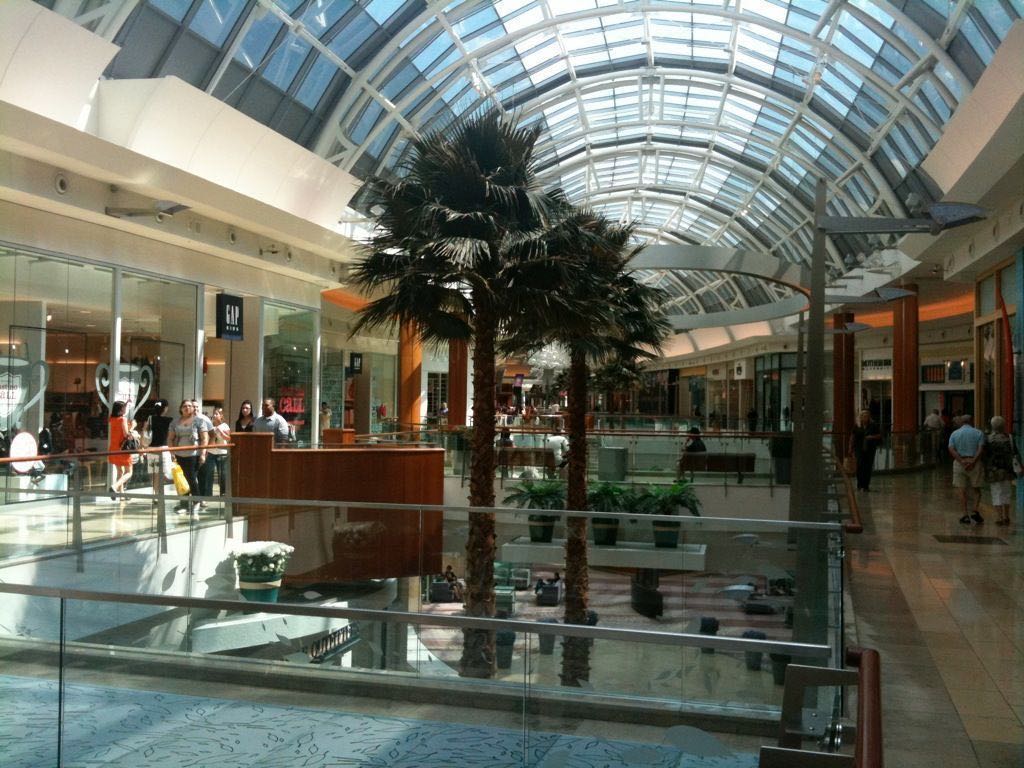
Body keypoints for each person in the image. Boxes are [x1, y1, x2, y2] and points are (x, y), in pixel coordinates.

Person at [168, 399, 207, 519]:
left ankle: (196, 502)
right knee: (181, 479)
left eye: (190, 406)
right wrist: (172, 452)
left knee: (191, 478)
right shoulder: (175, 422)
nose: (187, 408)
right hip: (179, 455)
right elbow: (170, 438)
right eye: (184, 406)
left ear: (193, 408)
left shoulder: (199, 421)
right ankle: (184, 504)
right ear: (181, 408)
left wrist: (203, 454)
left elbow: (204, 438)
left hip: (193, 455)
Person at [948, 414, 985, 525]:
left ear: (961, 422)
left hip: (960, 464)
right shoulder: (979, 433)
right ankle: (975, 510)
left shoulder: (954, 434)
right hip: (975, 463)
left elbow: (951, 449)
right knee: (976, 488)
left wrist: (961, 461)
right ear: (971, 421)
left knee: (961, 490)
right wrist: (973, 461)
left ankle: (965, 515)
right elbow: (981, 449)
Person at [983, 416, 1016, 526]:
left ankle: (999, 517)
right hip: (1007, 470)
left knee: (996, 492)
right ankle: (1006, 516)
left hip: (993, 470)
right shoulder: (1009, 438)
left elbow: (985, 455)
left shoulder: (988, 439)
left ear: (992, 426)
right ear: (1003, 426)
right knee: (1007, 492)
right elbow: (1015, 453)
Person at [849, 409, 882, 492]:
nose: (865, 418)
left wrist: (871, 437)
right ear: (861, 417)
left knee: (868, 467)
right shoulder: (857, 425)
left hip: (870, 448)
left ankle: (866, 486)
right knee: (860, 465)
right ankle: (860, 485)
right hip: (859, 448)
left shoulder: (873, 425)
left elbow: (879, 435)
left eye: (867, 416)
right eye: (863, 416)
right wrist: (850, 448)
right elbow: (852, 437)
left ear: (869, 417)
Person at [107, 401, 133, 501]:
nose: (125, 409)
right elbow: (126, 435)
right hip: (122, 449)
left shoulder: (111, 419)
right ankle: (115, 486)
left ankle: (122, 495)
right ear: (121, 409)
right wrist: (133, 428)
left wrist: (125, 403)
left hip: (113, 449)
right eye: (124, 408)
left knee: (119, 472)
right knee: (129, 472)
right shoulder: (123, 419)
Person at [204, 406, 231, 500]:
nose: (214, 416)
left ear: (221, 416)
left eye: (216, 414)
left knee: (222, 474)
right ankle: (208, 494)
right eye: (213, 414)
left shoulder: (225, 426)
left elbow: (229, 438)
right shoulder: (210, 426)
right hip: (211, 452)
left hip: (221, 452)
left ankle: (223, 493)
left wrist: (221, 433)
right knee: (209, 473)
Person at [192, 400, 215, 509]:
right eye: (193, 407)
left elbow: (212, 435)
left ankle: (202, 499)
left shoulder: (204, 419)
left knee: (203, 476)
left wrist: (207, 450)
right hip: (189, 453)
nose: (195, 409)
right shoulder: (185, 420)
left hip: (203, 452)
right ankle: (192, 500)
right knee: (191, 477)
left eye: (197, 407)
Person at [148, 400, 173, 500]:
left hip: (151, 448)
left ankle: (155, 493)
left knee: (154, 472)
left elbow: (145, 430)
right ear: (165, 408)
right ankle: (158, 494)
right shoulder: (169, 420)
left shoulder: (150, 418)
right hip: (163, 448)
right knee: (163, 473)